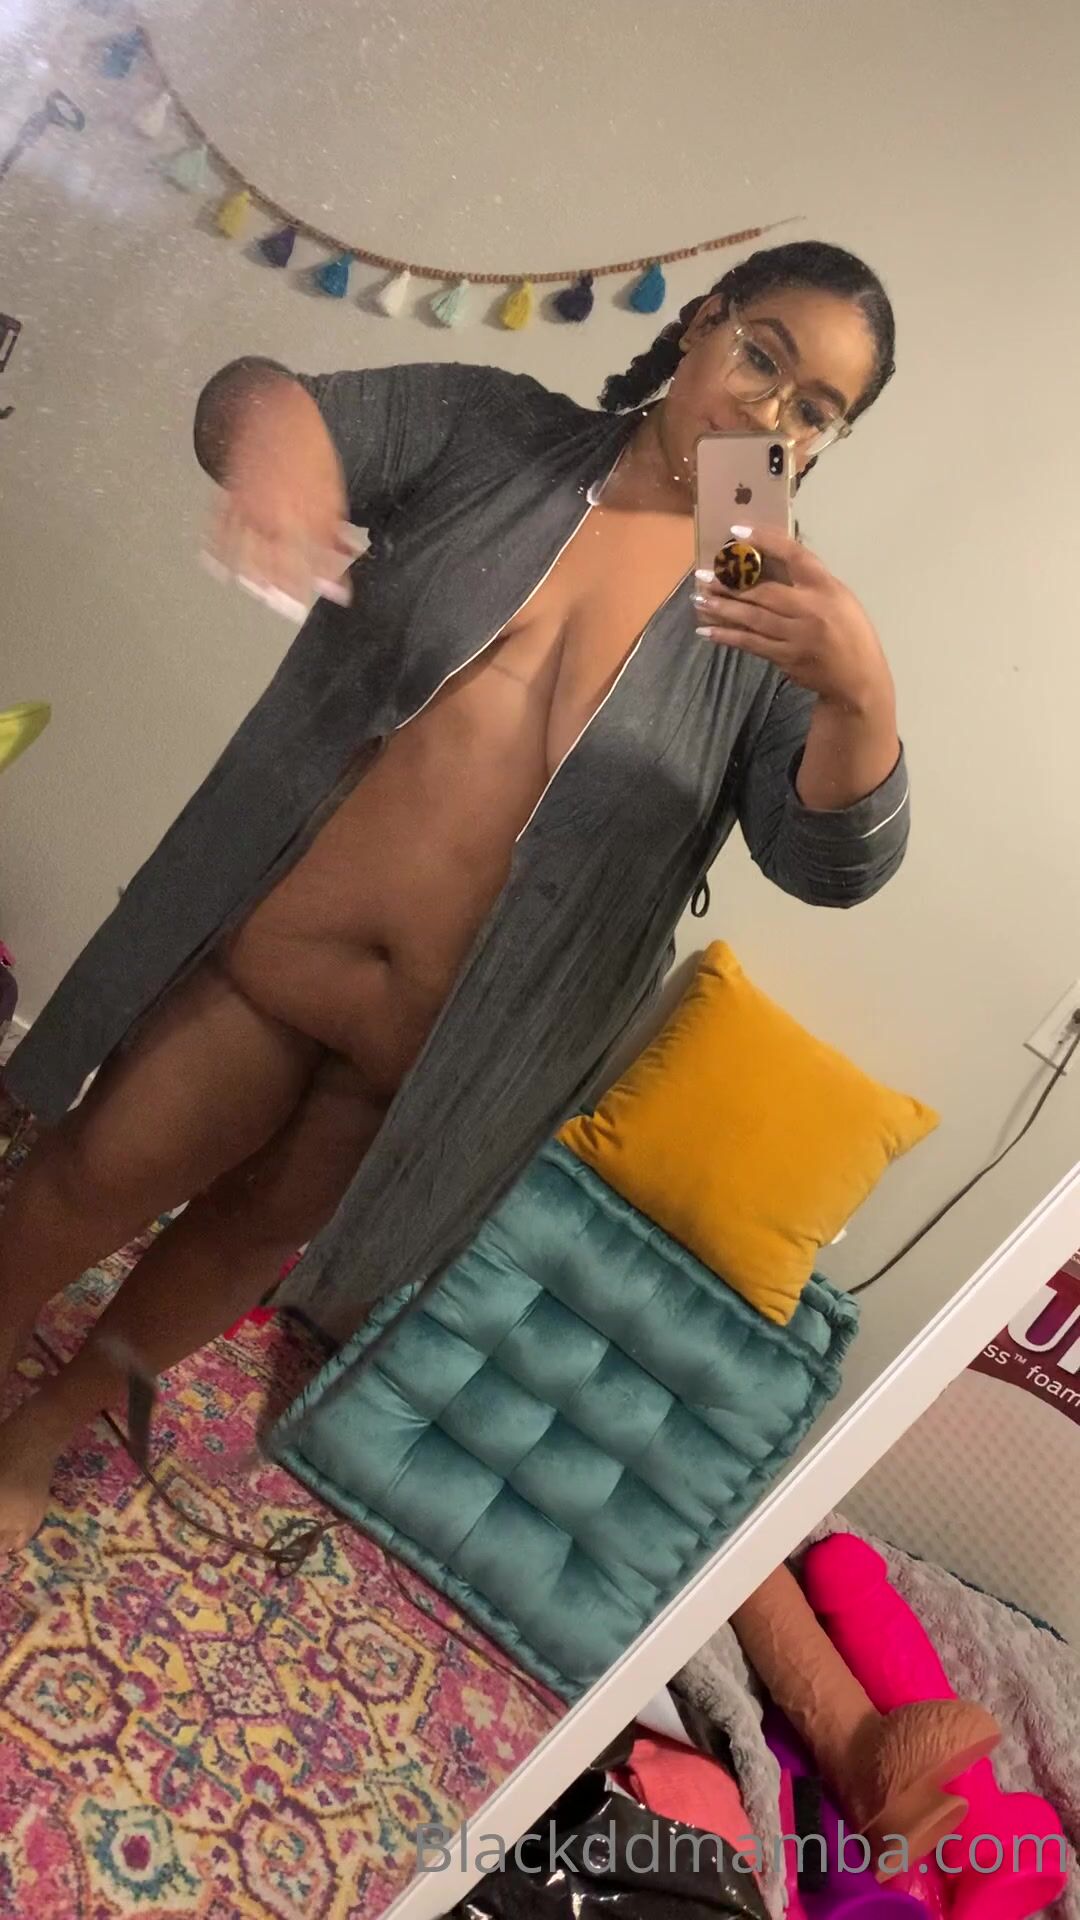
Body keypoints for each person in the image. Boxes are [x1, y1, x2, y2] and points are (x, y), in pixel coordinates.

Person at [0, 240, 909, 1552]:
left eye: (813, 410)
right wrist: (277, 450)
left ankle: (42, 1432)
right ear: (704, 322)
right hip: (278, 963)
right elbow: (260, 399)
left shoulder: (763, 600)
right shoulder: (504, 437)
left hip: (432, 1063)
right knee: (98, 1172)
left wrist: (861, 692)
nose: (769, 413)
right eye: (761, 355)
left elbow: (828, 861)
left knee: (238, 1251)